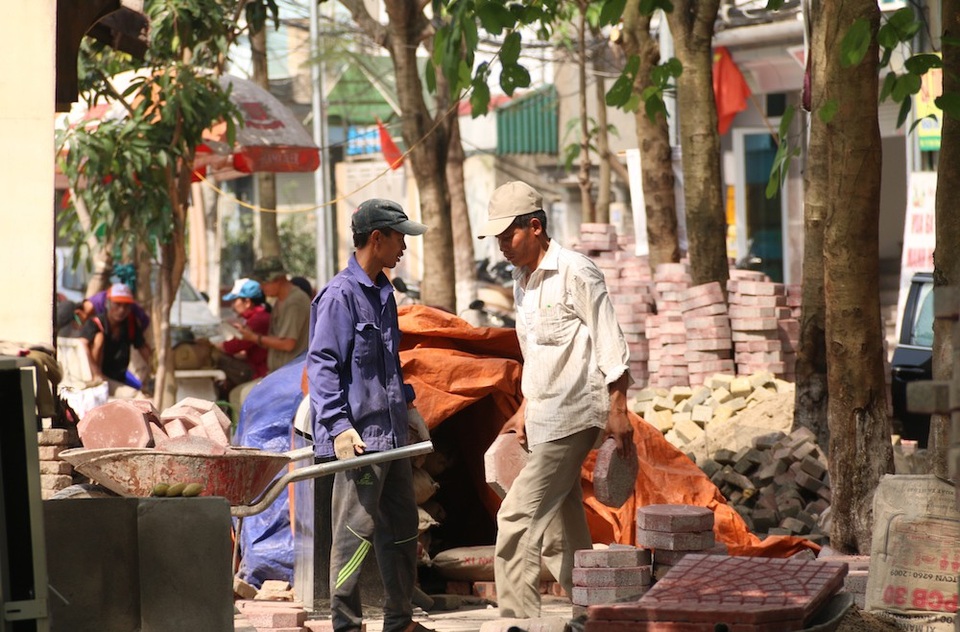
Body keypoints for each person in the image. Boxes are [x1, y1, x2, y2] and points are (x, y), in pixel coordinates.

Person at [478, 181, 634, 619]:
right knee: (562, 533)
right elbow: (536, 353)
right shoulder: (521, 281)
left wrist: (618, 410)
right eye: (497, 238)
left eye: (507, 235)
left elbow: (611, 343)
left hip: (575, 414)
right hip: (543, 416)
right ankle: (593, 616)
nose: (502, 246)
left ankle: (518, 621)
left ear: (535, 226)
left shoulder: (576, 272)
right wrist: (524, 410)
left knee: (516, 517)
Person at [307, 198, 432, 632]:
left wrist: (408, 409)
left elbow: (388, 365)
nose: (404, 247)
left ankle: (400, 621)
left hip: (391, 435)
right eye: (399, 238)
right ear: (376, 238)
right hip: (359, 440)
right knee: (354, 532)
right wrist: (339, 426)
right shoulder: (339, 296)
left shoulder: (384, 294)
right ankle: (346, 623)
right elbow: (322, 366)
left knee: (403, 529)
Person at [79, 282, 153, 398]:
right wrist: (96, 373)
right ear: (108, 303)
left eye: (126, 306)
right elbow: (82, 345)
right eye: (117, 304)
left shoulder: (130, 324)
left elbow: (142, 348)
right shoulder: (95, 324)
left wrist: (154, 370)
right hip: (99, 380)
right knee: (137, 397)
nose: (121, 310)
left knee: (143, 396)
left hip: (119, 378)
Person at [248, 256, 311, 373]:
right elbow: (276, 339)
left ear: (278, 279)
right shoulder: (280, 301)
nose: (261, 287)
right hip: (279, 374)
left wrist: (253, 337)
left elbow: (288, 344)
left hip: (292, 377)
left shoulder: (295, 302)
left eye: (264, 282)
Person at [216, 277, 271, 384]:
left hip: (259, 371)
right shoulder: (257, 317)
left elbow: (234, 346)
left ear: (247, 302)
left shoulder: (258, 319)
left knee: (217, 358)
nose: (232, 305)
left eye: (235, 301)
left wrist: (215, 346)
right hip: (256, 366)